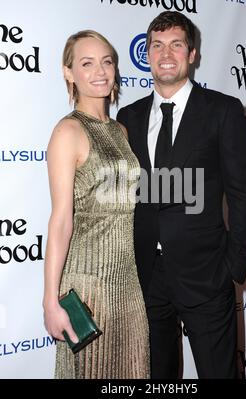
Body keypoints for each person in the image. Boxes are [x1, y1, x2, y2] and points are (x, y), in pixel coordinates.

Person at [117, 11, 246, 379]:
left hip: (207, 275)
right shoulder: (128, 117)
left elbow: (244, 195)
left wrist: (232, 267)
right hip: (147, 278)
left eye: (176, 45)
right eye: (158, 45)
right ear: (146, 54)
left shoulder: (223, 111)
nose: (166, 54)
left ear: (192, 54)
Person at [43, 30, 149, 379]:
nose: (101, 71)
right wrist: (50, 300)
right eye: (87, 63)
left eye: (107, 61)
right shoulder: (68, 132)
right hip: (90, 286)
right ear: (68, 72)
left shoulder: (121, 131)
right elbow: (60, 221)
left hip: (128, 286)